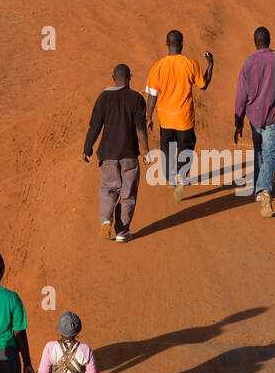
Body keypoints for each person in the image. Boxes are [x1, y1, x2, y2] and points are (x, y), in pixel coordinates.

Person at [234, 26, 275, 218]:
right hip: (273, 115)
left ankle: (259, 187)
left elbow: (241, 94)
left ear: (255, 42)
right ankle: (264, 190)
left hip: (254, 115)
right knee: (270, 154)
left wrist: (237, 120)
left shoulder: (248, 63)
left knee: (259, 151)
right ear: (269, 40)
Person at [83, 63, 149, 242]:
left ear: (114, 78)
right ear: (129, 78)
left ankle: (105, 220)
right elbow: (140, 127)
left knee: (110, 188)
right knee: (128, 193)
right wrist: (146, 151)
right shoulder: (136, 99)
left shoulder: (103, 98)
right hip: (129, 154)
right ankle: (122, 231)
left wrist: (87, 148)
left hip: (108, 154)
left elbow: (94, 126)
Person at [145, 30, 214, 200]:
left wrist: (149, 117)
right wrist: (210, 64)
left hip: (165, 118)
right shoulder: (190, 64)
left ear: (167, 44)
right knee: (186, 149)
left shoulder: (158, 66)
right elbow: (203, 85)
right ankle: (180, 177)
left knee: (167, 148)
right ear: (182, 44)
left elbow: (152, 94)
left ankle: (170, 179)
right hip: (184, 118)